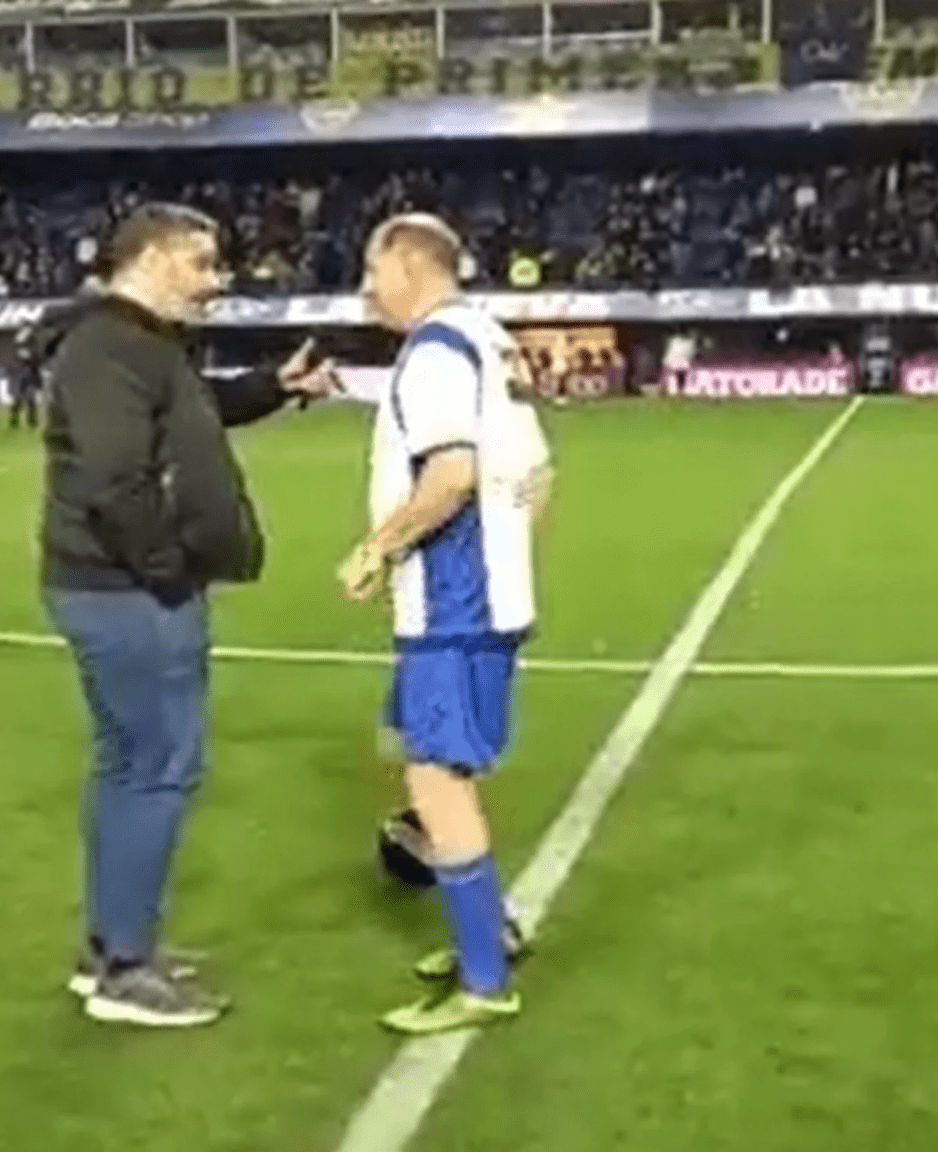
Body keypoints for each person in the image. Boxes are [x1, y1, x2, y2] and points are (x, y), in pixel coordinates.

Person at [38, 203, 338, 1028]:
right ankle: (126, 972)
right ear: (153, 259)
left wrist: (274, 386)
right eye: (202, 264)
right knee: (159, 767)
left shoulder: (139, 345)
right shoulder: (108, 348)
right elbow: (115, 481)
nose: (218, 281)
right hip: (127, 592)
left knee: (127, 765)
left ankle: (110, 945)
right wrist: (170, 572)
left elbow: (192, 411)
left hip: (120, 586)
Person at [338, 213, 553, 1035]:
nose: (367, 291)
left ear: (407, 264)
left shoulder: (434, 351)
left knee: (436, 780)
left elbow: (451, 476)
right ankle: (490, 933)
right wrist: (508, 557)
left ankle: (484, 982)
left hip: (453, 603)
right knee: (436, 764)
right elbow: (539, 474)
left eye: (372, 273)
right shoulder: (489, 339)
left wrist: (377, 548)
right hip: (489, 596)